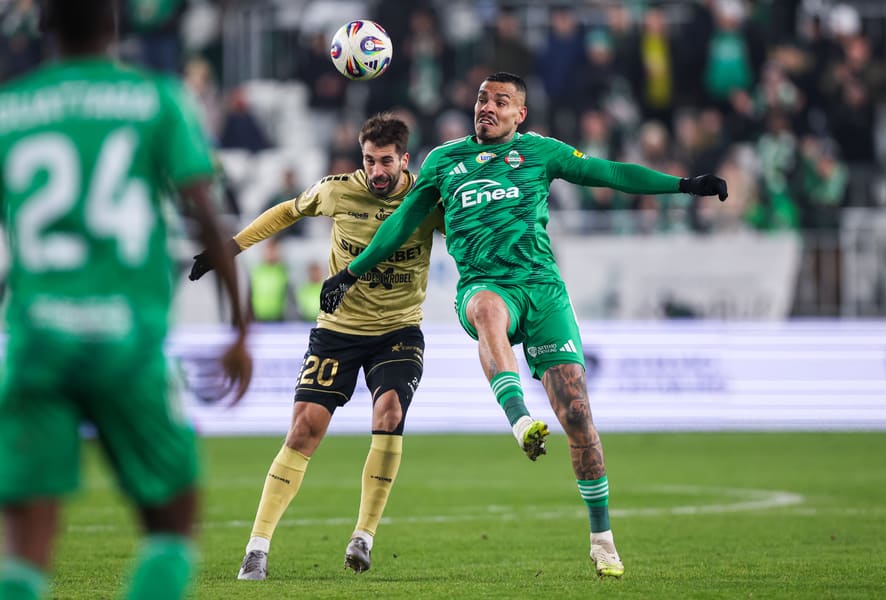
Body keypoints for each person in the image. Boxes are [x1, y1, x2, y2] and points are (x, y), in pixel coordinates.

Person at [319, 72, 727, 578]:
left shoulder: (541, 152)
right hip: (485, 284)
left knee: (578, 415)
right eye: (481, 98)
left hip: (543, 291)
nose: (486, 106)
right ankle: (518, 420)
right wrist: (352, 272)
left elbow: (610, 173)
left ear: (520, 114)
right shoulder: (444, 161)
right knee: (487, 310)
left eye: (501, 101)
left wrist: (683, 185)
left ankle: (603, 541)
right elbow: (401, 221)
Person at [0, 1, 253, 599]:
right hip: (126, 342)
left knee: (26, 545)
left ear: (43, 27)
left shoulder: (13, 109)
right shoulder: (155, 99)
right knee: (174, 516)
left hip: (36, 340)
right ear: (114, 26)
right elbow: (205, 218)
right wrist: (240, 329)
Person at [188, 113, 443, 579]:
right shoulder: (338, 189)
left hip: (398, 330)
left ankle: (363, 536)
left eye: (386, 161)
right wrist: (231, 248)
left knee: (389, 413)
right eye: (369, 160)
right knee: (304, 429)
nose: (377, 171)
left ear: (405, 159)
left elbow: (472, 240)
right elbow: (286, 211)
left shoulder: (428, 200)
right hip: (338, 331)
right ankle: (257, 547)